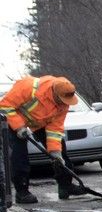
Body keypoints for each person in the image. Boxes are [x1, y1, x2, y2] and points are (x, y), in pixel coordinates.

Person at [0, 75, 89, 204]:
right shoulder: (28, 87)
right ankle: (22, 192)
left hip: (39, 123)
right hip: (12, 121)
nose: (65, 103)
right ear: (55, 93)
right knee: (19, 156)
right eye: (62, 100)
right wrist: (19, 127)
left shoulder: (64, 103)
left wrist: (55, 152)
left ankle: (65, 186)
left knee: (61, 153)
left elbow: (55, 129)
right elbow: (4, 106)